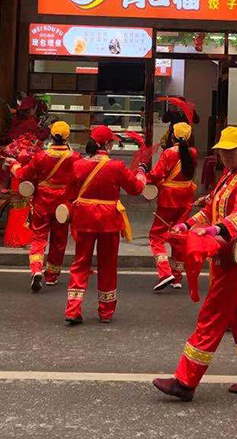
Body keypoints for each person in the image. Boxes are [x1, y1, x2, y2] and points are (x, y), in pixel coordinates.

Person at [153, 127, 237, 402]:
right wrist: (188, 224)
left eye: (232, 151)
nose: (226, 156)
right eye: (222, 151)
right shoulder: (229, 176)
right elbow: (210, 210)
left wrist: (216, 230)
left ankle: (185, 381)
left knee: (212, 316)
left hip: (234, 254)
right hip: (224, 251)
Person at [64, 125, 146, 325]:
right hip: (109, 219)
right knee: (108, 265)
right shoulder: (116, 166)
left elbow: (69, 194)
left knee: (80, 263)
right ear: (107, 144)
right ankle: (106, 311)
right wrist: (142, 173)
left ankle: (73, 308)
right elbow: (136, 189)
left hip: (83, 218)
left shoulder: (78, 164)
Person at [9, 121, 80, 292]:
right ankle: (52, 276)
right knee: (59, 239)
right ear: (67, 137)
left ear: (51, 136)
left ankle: (35, 269)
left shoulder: (41, 156)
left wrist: (14, 164)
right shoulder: (75, 157)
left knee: (39, 237)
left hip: (42, 202)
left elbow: (22, 174)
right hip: (63, 203)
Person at [146, 122, 198, 292]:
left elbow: (157, 174)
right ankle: (177, 277)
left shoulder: (168, 153)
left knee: (156, 236)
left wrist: (143, 175)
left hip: (169, 197)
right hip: (187, 196)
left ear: (173, 135)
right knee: (179, 234)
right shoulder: (193, 152)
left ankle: (164, 271)